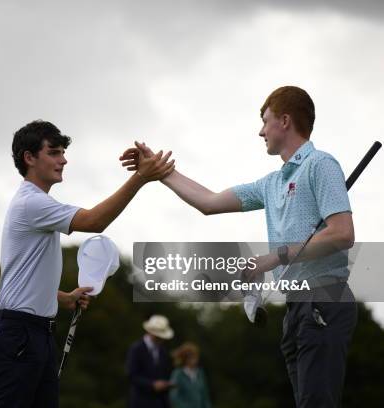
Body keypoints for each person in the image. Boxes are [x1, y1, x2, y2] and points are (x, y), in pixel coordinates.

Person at [120, 86, 357, 407]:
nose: (261, 131)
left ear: (284, 121)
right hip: (297, 306)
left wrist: (275, 257)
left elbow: (342, 233)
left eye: (265, 121)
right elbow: (209, 202)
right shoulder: (271, 183)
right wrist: (161, 172)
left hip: (325, 299)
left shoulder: (321, 164)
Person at [0, 120, 175, 408]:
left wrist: (63, 298)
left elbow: (20, 282)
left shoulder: (37, 204)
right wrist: (141, 177)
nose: (64, 159)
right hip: (19, 334)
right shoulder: (31, 203)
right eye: (55, 153)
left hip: (34, 333)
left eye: (62, 153)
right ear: (29, 158)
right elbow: (95, 221)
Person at [126, 314, 175, 408]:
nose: (161, 338)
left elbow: (165, 373)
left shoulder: (163, 351)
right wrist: (152, 385)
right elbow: (131, 375)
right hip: (141, 402)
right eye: (158, 336)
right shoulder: (136, 349)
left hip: (160, 403)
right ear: (150, 332)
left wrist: (166, 384)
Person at [169, 342, 212, 408]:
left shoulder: (200, 373)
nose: (195, 359)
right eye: (192, 357)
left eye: (196, 356)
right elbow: (174, 397)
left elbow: (205, 396)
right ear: (185, 358)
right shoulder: (177, 374)